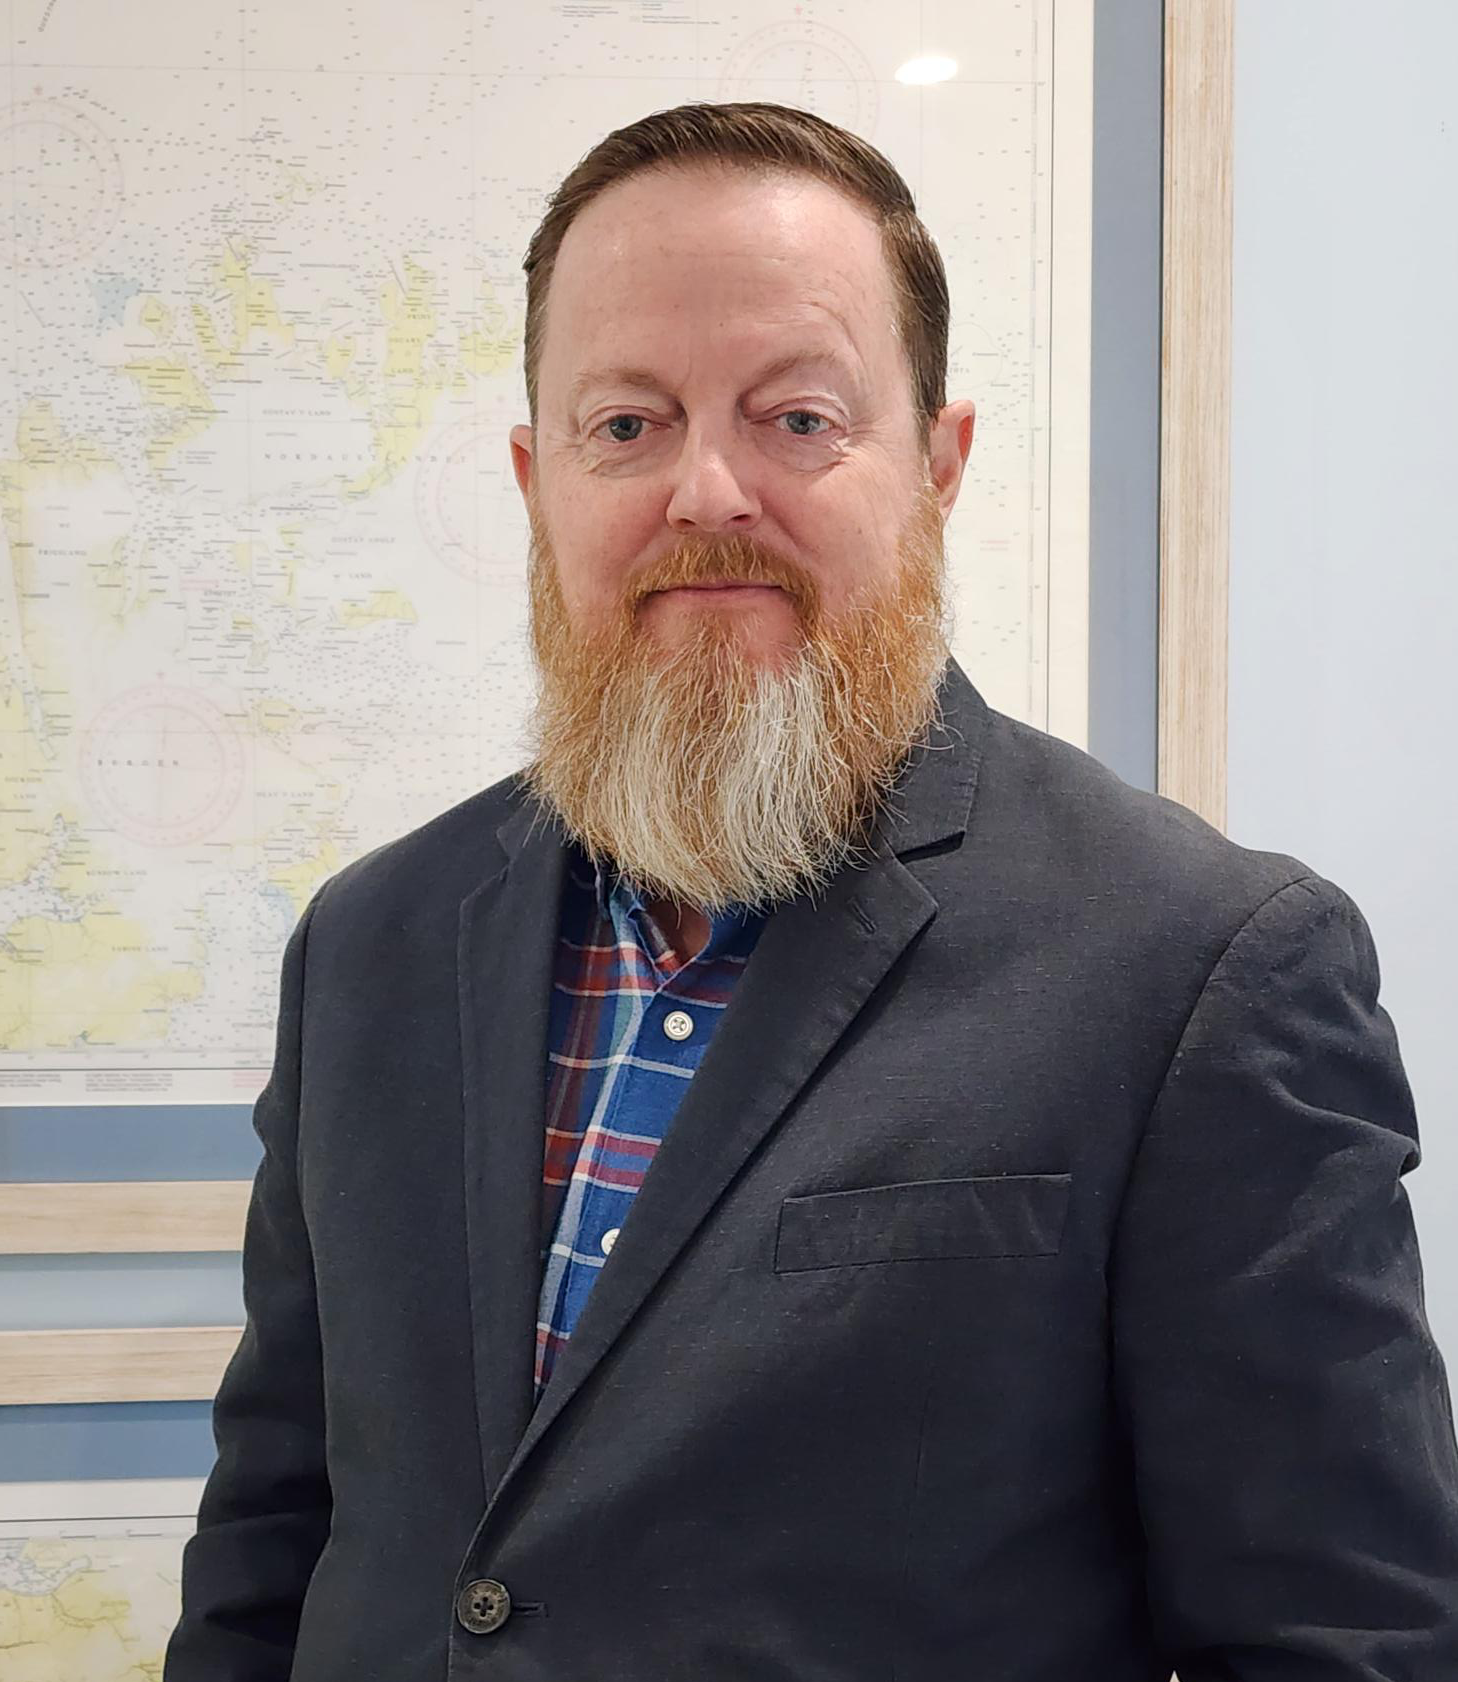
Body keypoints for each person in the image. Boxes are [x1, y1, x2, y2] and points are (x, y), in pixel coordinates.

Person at [164, 101, 1458, 1681]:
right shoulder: (367, 940)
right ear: (533, 478)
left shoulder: (1201, 967)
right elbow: (271, 1538)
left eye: (795, 418)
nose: (704, 489)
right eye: (624, 424)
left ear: (939, 462)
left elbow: (1346, 1641)